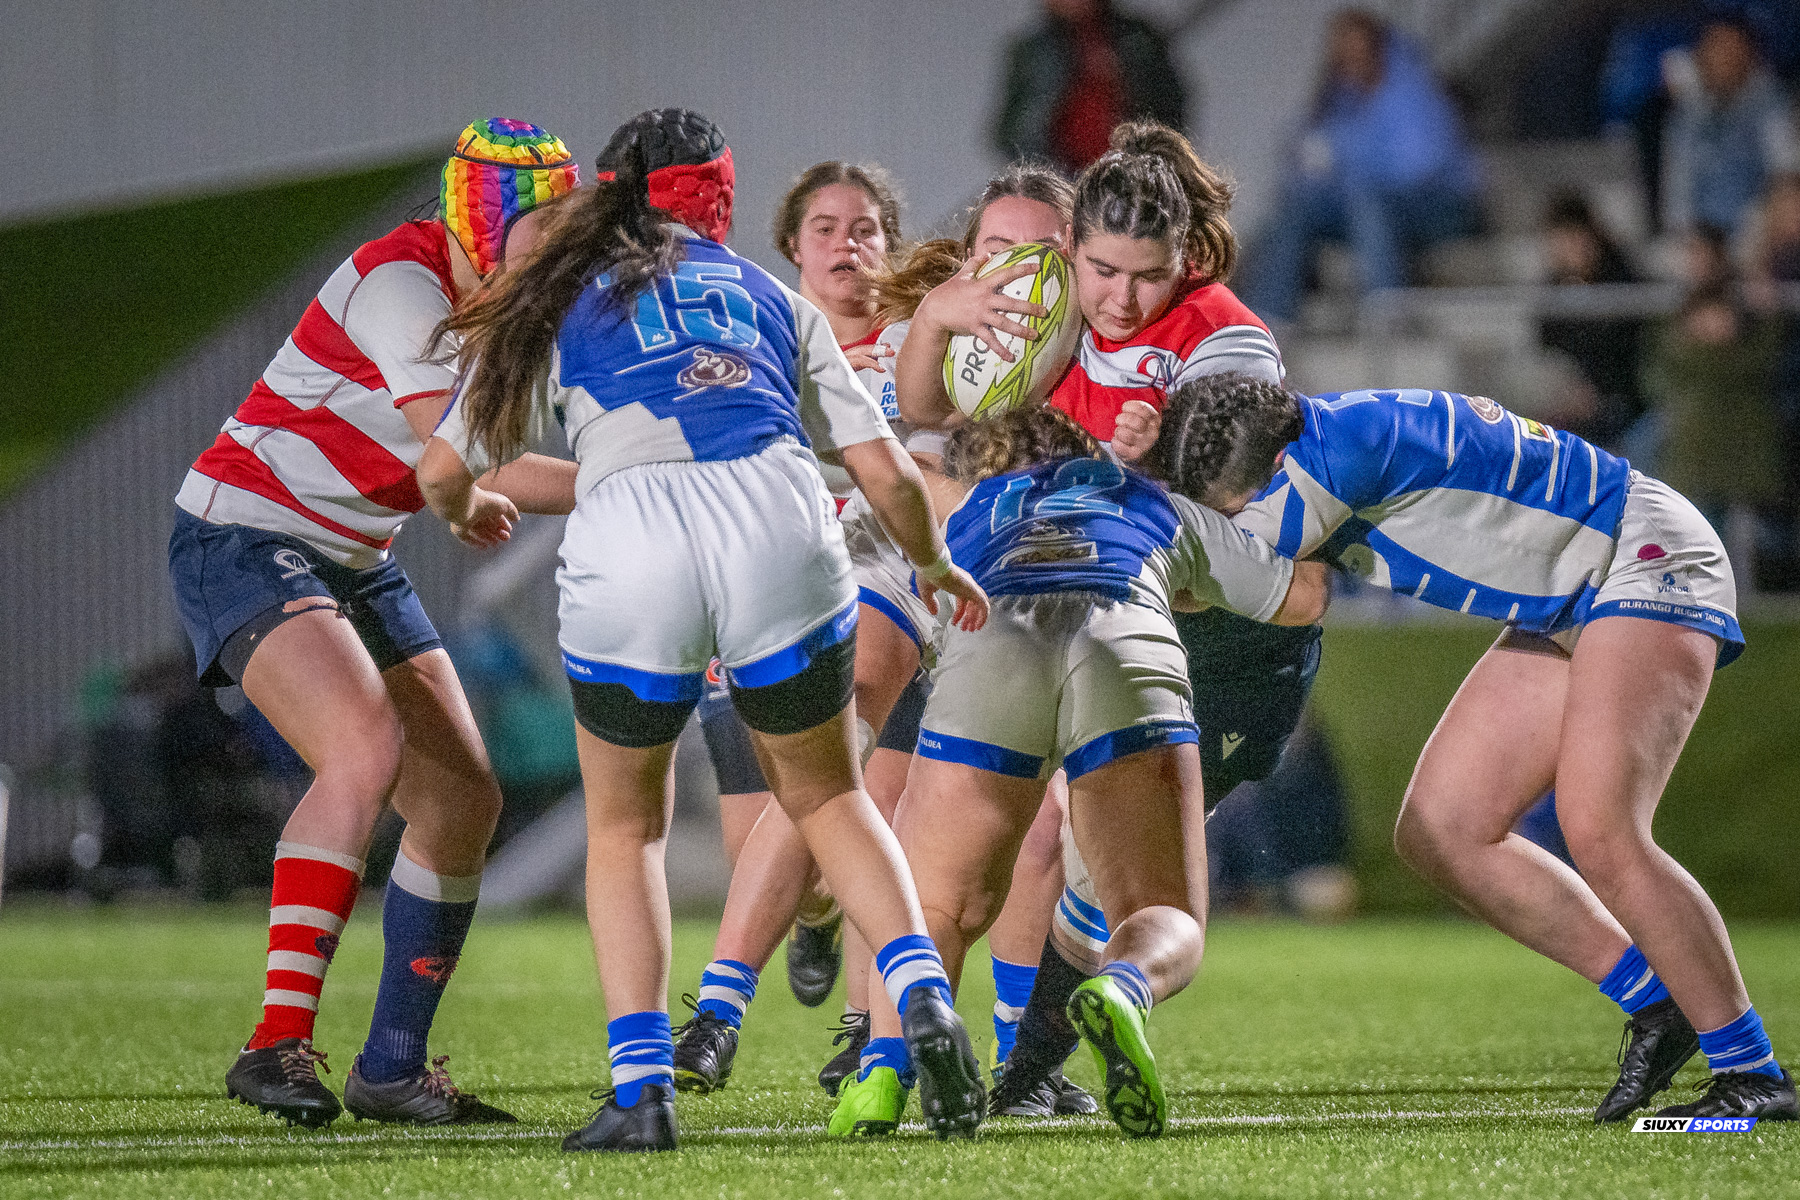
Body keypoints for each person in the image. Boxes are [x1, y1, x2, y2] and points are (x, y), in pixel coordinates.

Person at [416, 109, 992, 1152]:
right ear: (722, 197)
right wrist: (938, 563)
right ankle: (921, 1002)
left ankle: (642, 1091)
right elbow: (886, 472)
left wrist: (465, 514)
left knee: (624, 826)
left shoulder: (557, 293)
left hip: (631, 543)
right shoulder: (774, 299)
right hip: (779, 526)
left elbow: (443, 472)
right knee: (828, 795)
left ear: (612, 192)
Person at [1154, 373, 1797, 1124]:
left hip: (1642, 558)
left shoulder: (1330, 466)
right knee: (1443, 829)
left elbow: (1231, 581)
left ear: (1274, 464)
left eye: (1232, 501)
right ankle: (1661, 1004)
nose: (1227, 514)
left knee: (1602, 828)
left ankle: (1753, 1070)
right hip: (1573, 591)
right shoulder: (1315, 436)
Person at [167, 118, 581, 1128]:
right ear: (484, 220)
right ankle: (274, 1044)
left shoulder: (511, 302)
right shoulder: (403, 282)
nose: (563, 242)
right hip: (244, 531)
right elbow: (464, 455)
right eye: (545, 223)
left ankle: (391, 1069)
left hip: (352, 555)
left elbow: (491, 462)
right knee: (360, 748)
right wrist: (648, 477)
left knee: (462, 802)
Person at [829, 405, 1329, 1140]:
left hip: (996, 633)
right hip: (1125, 632)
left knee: (934, 907)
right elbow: (1302, 597)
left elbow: (893, 476)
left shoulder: (966, 500)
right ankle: (1124, 989)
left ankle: (881, 1076)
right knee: (1162, 912)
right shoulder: (1156, 501)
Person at [671, 160, 912, 1090]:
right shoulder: (757, 338)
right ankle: (810, 924)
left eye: (865, 227)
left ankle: (862, 1026)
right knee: (776, 857)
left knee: (865, 811)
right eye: (824, 227)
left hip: (886, 603)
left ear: (891, 244)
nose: (846, 243)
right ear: (791, 248)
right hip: (767, 600)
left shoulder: (920, 346)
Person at [1240, 8, 1481, 324]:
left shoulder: (1413, 89)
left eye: (1357, 50)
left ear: (1376, 48)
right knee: (1299, 208)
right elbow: (1308, 164)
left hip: (1444, 206)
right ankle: (1268, 319)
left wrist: (1343, 170)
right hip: (1366, 206)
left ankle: (1388, 313)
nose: (1350, 60)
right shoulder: (1336, 101)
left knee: (1367, 202)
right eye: (1341, 53)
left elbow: (1418, 169)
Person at [991, 0, 1187, 175]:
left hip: (1132, 173)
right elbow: (1012, 131)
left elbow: (1170, 107)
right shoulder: (1034, 52)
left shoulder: (1138, 39)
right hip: (1065, 178)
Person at [1662, 17, 1800, 237]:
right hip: (1700, 240)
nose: (1725, 58)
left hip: (1755, 234)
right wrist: (1684, 237)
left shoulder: (1770, 104)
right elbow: (1679, 184)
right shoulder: (1687, 112)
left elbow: (1785, 174)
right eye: (1716, 48)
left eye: (1733, 49)